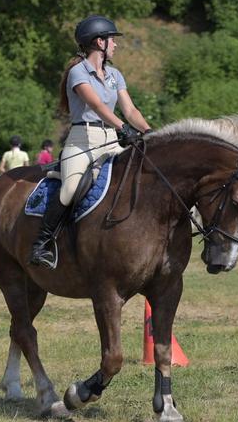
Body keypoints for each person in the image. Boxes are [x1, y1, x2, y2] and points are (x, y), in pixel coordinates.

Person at [30, 15, 151, 268]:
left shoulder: (115, 74)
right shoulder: (77, 72)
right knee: (71, 188)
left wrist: (151, 133)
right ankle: (42, 244)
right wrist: (124, 128)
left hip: (110, 139)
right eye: (112, 40)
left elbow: (130, 110)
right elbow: (95, 105)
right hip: (82, 140)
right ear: (99, 42)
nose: (116, 45)